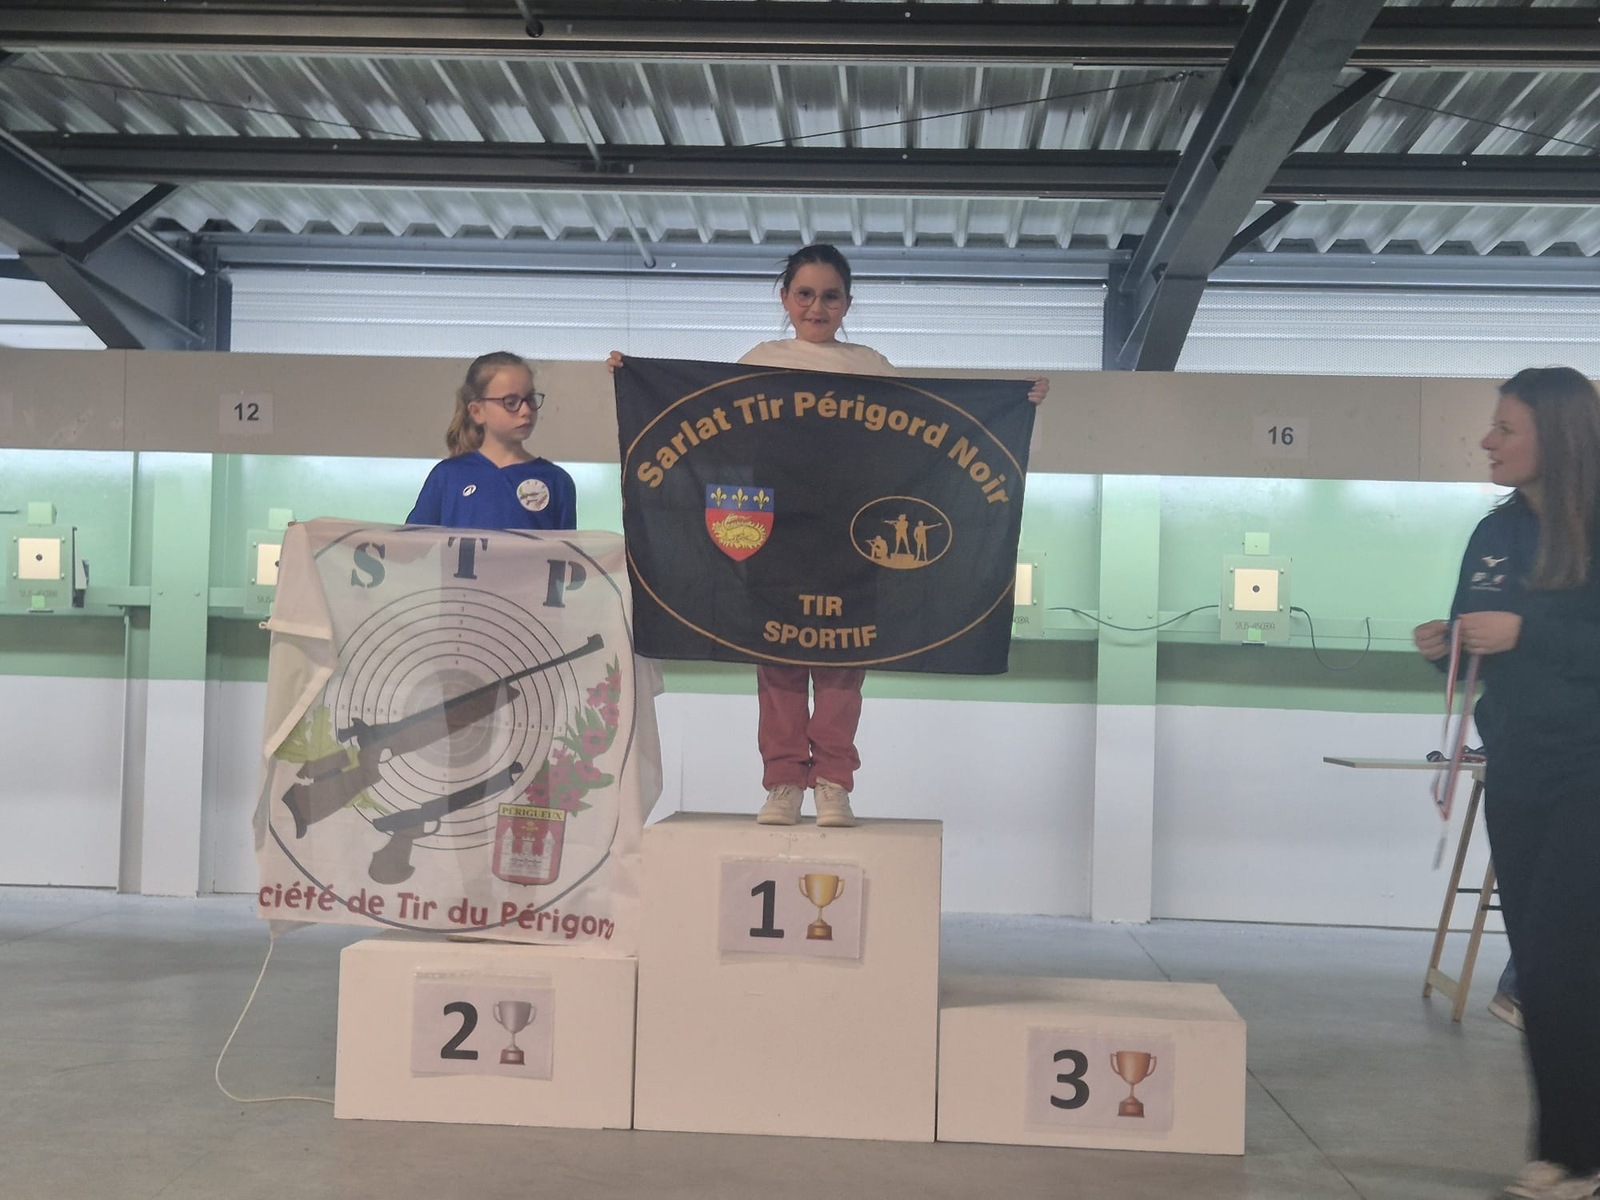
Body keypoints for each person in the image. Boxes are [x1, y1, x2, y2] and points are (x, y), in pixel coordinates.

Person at [614, 243, 1046, 827]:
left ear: (847, 302)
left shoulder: (872, 367)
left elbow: (928, 435)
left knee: (844, 665)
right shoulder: (757, 361)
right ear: (785, 299)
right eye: (805, 294)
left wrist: (1016, 403)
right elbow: (711, 430)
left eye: (830, 296)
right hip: (776, 538)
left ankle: (834, 783)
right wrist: (634, 380)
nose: (817, 307)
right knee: (778, 663)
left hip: (855, 542)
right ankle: (783, 783)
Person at [1413, 366, 1600, 1200]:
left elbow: (1551, 638)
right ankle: (1563, 1149)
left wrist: (1530, 631)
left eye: (1505, 428)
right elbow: (1482, 645)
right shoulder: (1495, 532)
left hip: (1590, 769)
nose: (1486, 441)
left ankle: (1581, 1154)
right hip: (1518, 768)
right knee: (1540, 967)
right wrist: (1448, 648)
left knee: (1570, 960)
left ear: (1555, 436)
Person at [407, 351, 576, 530]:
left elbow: (565, 546)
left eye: (530, 399)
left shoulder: (556, 480)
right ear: (477, 412)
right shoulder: (447, 476)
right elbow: (411, 541)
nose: (526, 410)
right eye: (510, 402)